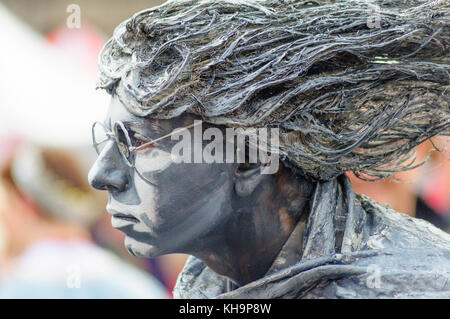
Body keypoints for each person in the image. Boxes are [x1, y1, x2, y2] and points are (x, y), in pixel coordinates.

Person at [88, 0, 450, 298]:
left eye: (134, 142)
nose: (100, 175)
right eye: (107, 139)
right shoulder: (204, 287)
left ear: (248, 159)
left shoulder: (419, 285)